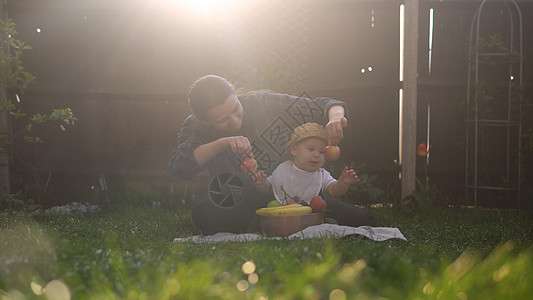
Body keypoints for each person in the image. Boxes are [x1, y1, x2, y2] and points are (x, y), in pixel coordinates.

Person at [169, 75, 376, 235]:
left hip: (295, 197)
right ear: (205, 121)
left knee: (364, 219)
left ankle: (280, 223)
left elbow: (325, 104)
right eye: (223, 120)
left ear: (236, 95)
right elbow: (180, 165)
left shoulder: (262, 103)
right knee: (204, 213)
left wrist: (335, 118)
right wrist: (223, 143)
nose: (234, 120)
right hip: (243, 202)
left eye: (235, 108)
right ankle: (277, 223)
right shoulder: (196, 126)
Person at [252, 122, 377, 227]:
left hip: (311, 218)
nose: (317, 155)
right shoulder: (283, 169)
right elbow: (269, 189)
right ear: (294, 150)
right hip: (283, 217)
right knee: (258, 219)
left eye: (321, 151)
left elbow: (334, 190)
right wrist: (261, 183)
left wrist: (343, 183)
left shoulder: (321, 174)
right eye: (311, 149)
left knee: (331, 222)